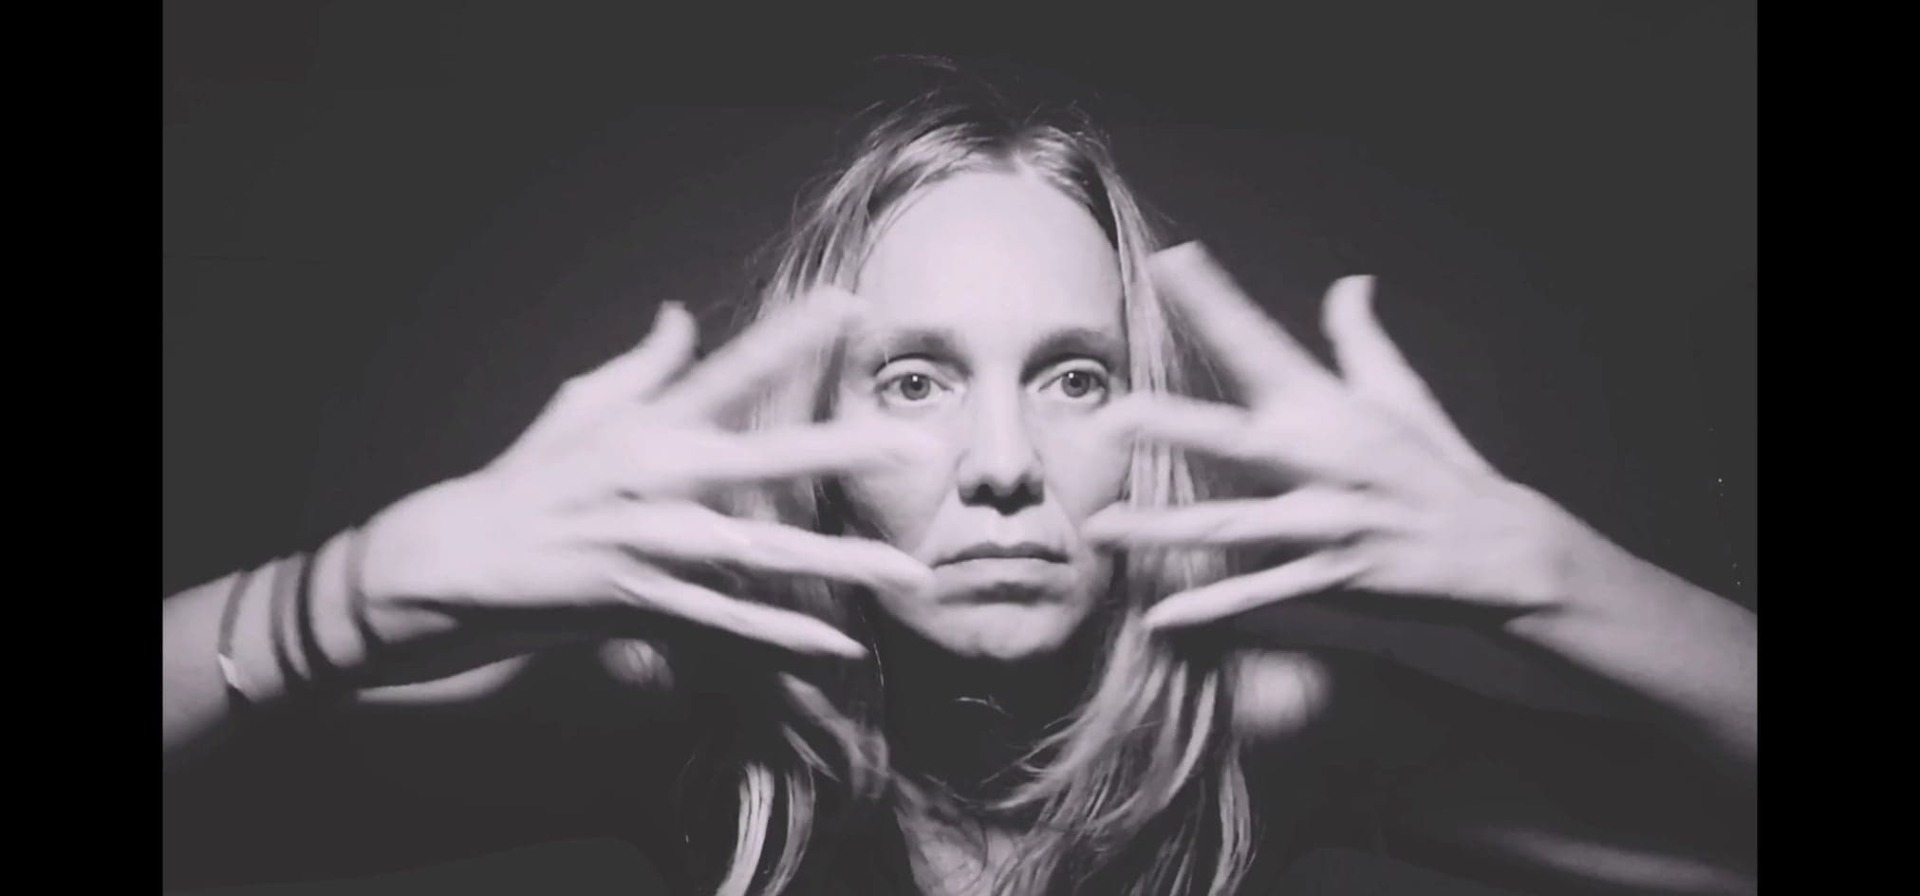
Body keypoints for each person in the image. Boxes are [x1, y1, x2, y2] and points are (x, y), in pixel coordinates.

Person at [162, 63, 1756, 896]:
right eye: (914, 380)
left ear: (1151, 419)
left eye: (1076, 377)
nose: (1002, 467)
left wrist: (1558, 578)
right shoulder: (695, 713)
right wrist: (339, 599)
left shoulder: (1265, 729)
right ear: (819, 431)